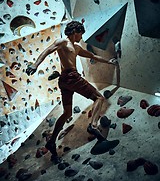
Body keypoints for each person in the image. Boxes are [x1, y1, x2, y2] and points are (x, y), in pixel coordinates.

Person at [26, 21, 117, 164]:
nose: (82, 36)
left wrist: (109, 61)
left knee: (67, 113)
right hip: (71, 77)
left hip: (64, 81)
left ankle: (51, 141)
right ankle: (93, 126)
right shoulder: (63, 41)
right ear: (75, 31)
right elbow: (47, 50)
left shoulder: (76, 47)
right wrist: (35, 65)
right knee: (99, 98)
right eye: (81, 33)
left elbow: (93, 56)